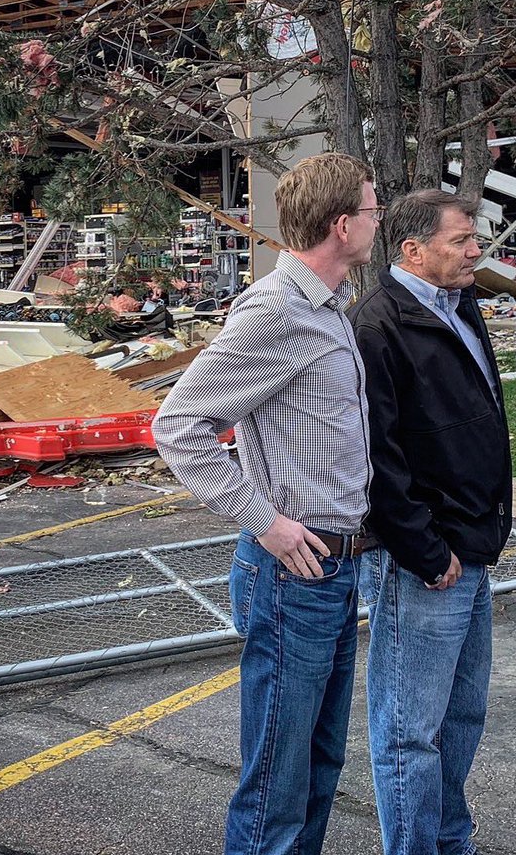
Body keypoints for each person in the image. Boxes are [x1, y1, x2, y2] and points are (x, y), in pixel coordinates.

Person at [152, 152, 381, 855]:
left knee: (316, 769)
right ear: (342, 226)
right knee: (277, 785)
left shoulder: (329, 308)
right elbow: (177, 426)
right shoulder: (276, 312)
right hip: (292, 572)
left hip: (336, 569)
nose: (379, 219)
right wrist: (267, 524)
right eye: (372, 211)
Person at [350, 189, 513, 855]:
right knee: (410, 731)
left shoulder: (461, 307)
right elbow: (376, 455)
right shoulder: (378, 326)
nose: (476, 250)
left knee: (462, 716)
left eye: (475, 238)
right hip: (425, 560)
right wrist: (422, 547)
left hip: (469, 547)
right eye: (460, 240)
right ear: (412, 250)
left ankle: (452, 842)